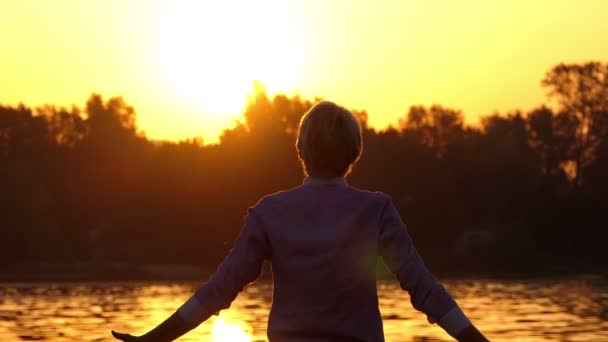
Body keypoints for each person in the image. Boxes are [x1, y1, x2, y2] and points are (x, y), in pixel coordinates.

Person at [112, 101, 489, 342]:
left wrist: (153, 340)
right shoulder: (376, 209)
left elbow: (219, 289)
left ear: (299, 152)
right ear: (355, 154)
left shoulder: (269, 212)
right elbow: (424, 288)